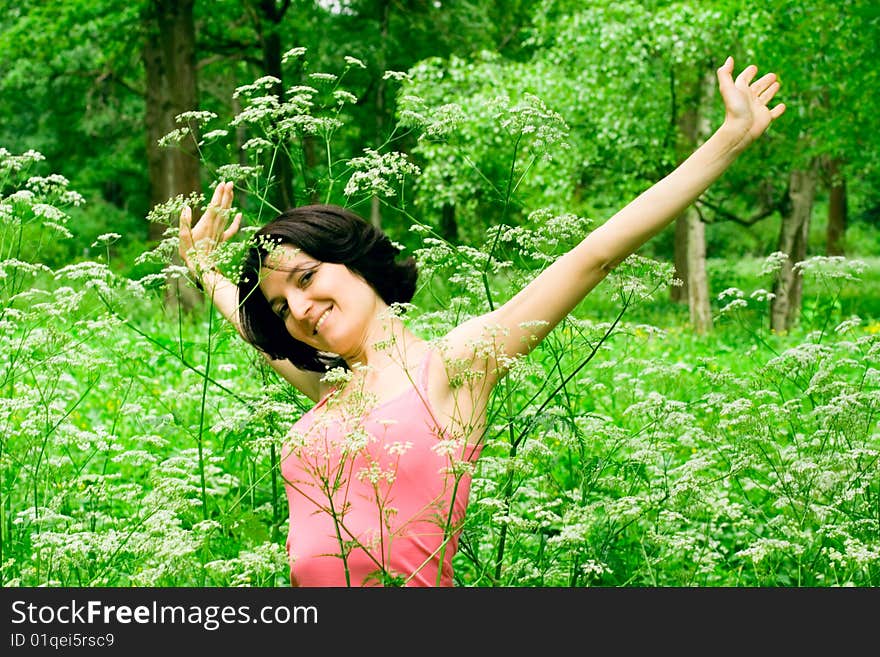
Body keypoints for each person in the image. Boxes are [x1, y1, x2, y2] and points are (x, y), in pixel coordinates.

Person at [178, 56, 785, 587]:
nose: (300, 311)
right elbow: (256, 333)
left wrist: (728, 139)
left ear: (356, 262)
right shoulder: (333, 391)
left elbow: (594, 255)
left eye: (307, 279)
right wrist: (206, 270)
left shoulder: (454, 365)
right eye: (284, 307)